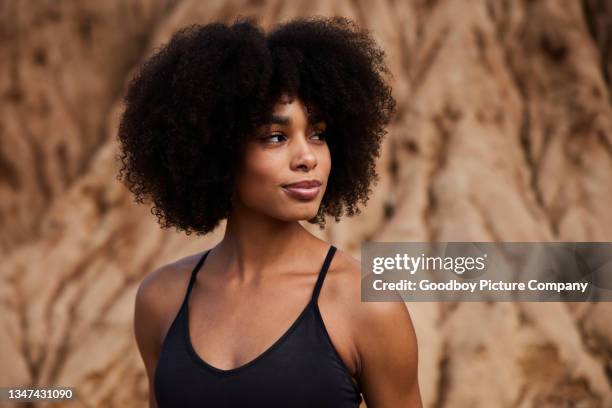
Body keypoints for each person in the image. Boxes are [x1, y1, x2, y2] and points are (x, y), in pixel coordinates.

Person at [118, 15, 422, 407]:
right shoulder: (161, 299)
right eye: (276, 137)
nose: (307, 158)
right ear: (217, 150)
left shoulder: (367, 305)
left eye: (318, 134)